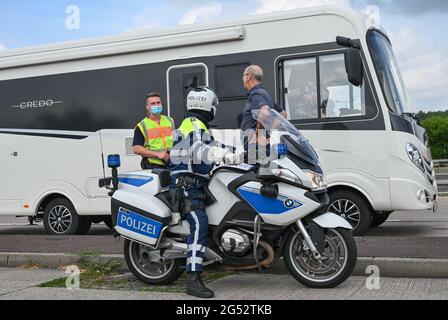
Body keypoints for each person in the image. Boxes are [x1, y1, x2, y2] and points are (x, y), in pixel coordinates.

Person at [169, 87, 239, 299]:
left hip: (197, 185)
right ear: (206, 104)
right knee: (199, 224)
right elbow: (198, 149)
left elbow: (212, 145)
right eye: (214, 105)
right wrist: (221, 154)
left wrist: (236, 151)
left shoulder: (197, 125)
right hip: (187, 186)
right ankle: (193, 280)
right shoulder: (192, 125)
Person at [240, 65, 287, 151]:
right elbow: (283, 114)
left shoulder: (256, 94)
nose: (242, 78)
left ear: (249, 76)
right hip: (262, 147)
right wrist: (268, 133)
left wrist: (258, 136)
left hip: (255, 149)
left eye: (243, 75)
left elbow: (264, 114)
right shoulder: (265, 94)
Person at [132, 92, 174, 169]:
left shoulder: (170, 121)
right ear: (147, 107)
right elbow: (137, 149)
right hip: (153, 165)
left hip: (171, 163)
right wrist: (157, 154)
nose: (156, 105)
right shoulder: (142, 126)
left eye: (158, 103)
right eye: (153, 104)